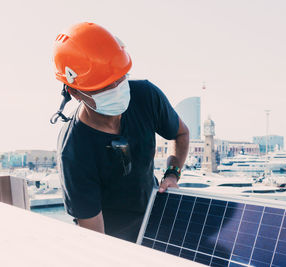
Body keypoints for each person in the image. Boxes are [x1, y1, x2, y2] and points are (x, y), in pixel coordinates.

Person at [51, 22, 189, 243]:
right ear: (74, 92)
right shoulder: (74, 152)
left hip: (156, 219)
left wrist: (172, 174)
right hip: (114, 240)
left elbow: (181, 134)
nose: (117, 87)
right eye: (104, 85)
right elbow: (96, 239)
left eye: (120, 77)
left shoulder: (145, 96)